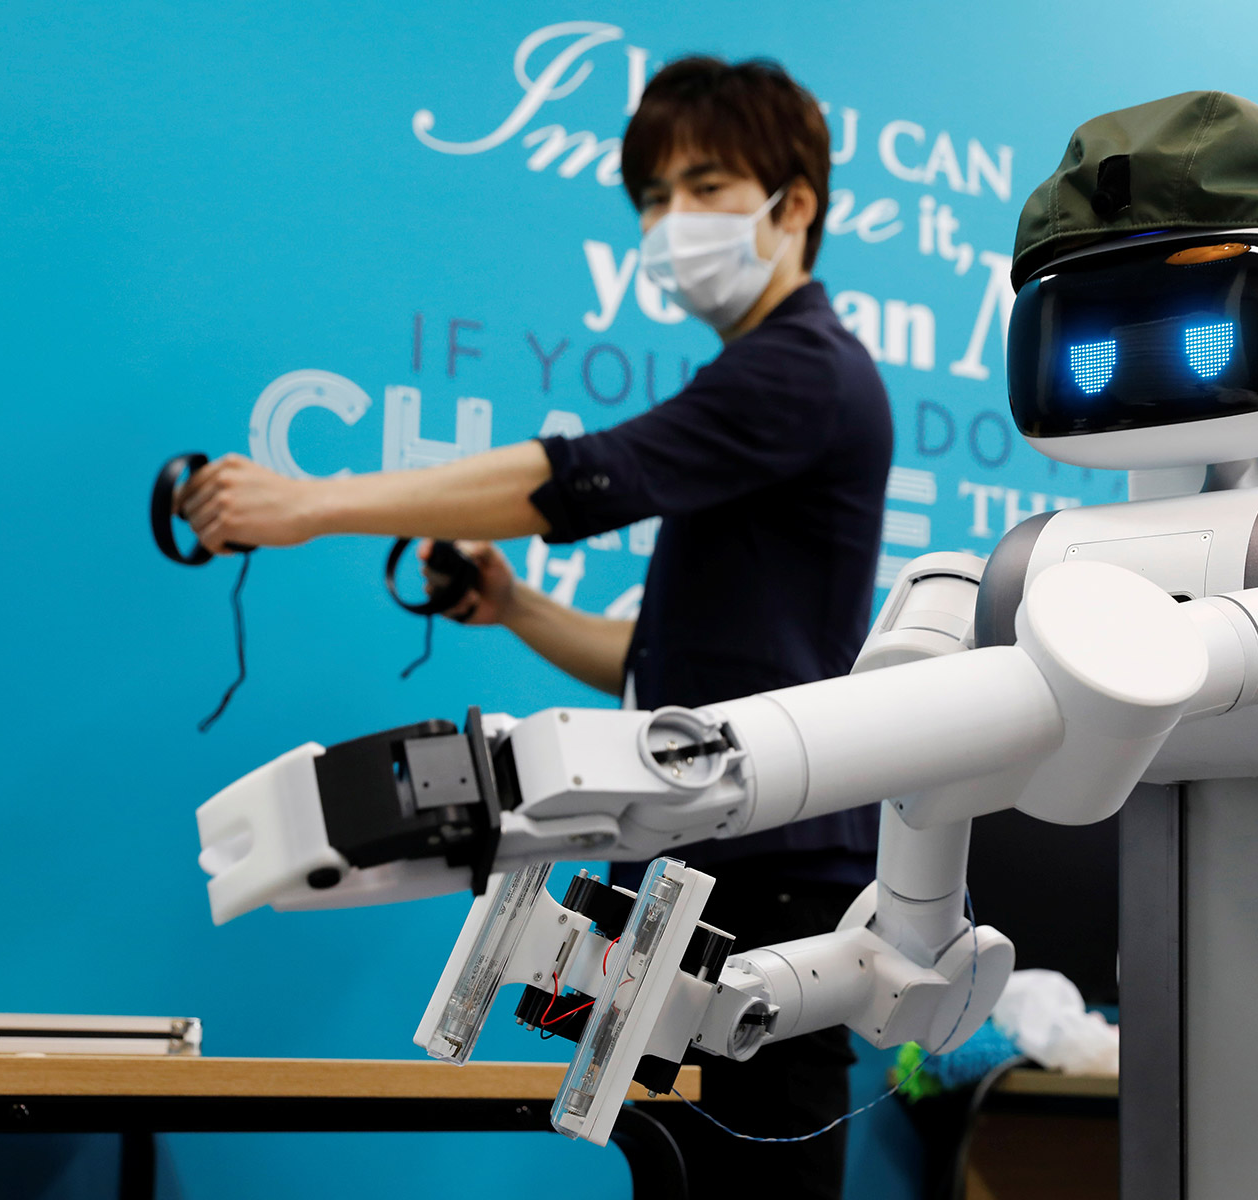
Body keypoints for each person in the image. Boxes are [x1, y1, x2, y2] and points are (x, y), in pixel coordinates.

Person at [177, 55, 891, 1199]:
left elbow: (579, 476)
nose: (670, 221)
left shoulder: (801, 371)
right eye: (651, 198)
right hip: (698, 866)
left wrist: (310, 504)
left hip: (769, 887)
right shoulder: (769, 382)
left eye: (704, 186)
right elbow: (660, 681)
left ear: (792, 202)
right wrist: (514, 606)